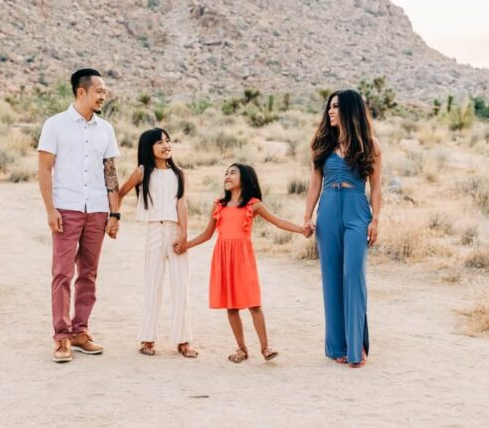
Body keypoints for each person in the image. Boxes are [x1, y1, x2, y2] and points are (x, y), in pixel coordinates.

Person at [180, 163, 307, 363]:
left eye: (233, 173)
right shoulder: (219, 205)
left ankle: (265, 348)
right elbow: (207, 234)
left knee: (254, 303)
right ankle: (242, 349)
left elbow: (278, 221)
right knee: (231, 306)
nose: (227, 176)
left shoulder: (253, 204)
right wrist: (186, 245)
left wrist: (302, 229)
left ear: (245, 178)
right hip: (223, 258)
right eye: (226, 173)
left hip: (243, 258)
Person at [37, 68, 121, 363]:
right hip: (67, 208)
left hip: (97, 209)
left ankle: (80, 331)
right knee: (62, 273)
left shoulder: (105, 129)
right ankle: (61, 337)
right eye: (99, 91)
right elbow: (45, 169)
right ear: (81, 92)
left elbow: (110, 173)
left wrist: (115, 213)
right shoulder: (55, 125)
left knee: (89, 273)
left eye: (105, 91)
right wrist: (50, 209)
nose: (104, 95)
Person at [302, 89, 382, 368]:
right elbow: (314, 184)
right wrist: (307, 216)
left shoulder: (370, 144)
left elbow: (376, 187)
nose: (330, 112)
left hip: (357, 210)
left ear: (349, 110)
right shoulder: (322, 143)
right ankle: (338, 345)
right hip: (328, 210)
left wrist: (376, 219)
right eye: (329, 107)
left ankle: (356, 344)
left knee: (353, 275)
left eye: (336, 107)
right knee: (332, 277)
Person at [117, 128, 196, 358]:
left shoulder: (178, 174)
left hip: (175, 231)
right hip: (154, 230)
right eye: (159, 142)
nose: (166, 145)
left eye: (168, 141)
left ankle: (184, 340)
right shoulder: (142, 172)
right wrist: (113, 218)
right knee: (153, 284)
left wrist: (184, 235)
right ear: (148, 147)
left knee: (181, 285)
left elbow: (182, 205)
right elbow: (120, 192)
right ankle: (147, 338)